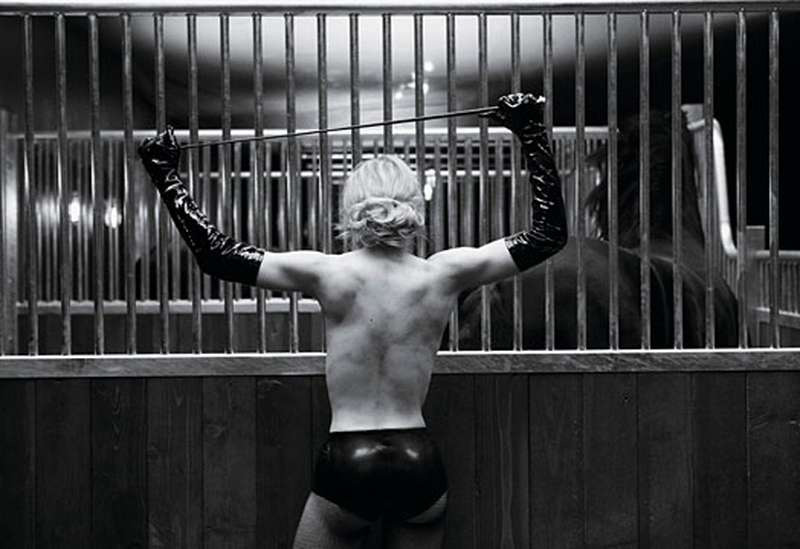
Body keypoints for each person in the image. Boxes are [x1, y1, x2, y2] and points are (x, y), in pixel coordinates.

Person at [138, 92, 567, 549]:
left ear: (350, 209)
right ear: (415, 206)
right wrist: (530, 131)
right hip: (418, 459)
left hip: (349, 457)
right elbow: (549, 234)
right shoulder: (443, 274)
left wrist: (166, 174)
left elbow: (217, 255)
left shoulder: (328, 273)